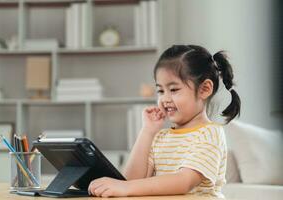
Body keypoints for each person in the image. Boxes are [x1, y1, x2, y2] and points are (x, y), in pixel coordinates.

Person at [88, 45, 241, 198]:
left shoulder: (210, 133)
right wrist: (147, 132)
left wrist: (125, 187)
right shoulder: (160, 137)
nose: (165, 99)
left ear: (204, 89)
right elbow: (130, 180)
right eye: (160, 91)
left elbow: (183, 182)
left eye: (173, 90)